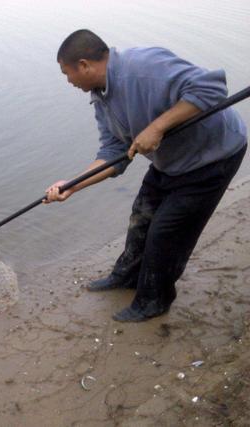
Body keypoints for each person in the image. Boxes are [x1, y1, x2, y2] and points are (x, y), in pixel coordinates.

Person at [45, 29, 247, 322]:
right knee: (141, 219)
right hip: (170, 161)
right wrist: (72, 186)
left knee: (166, 233)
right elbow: (115, 153)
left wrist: (157, 127)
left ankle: (155, 300)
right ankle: (127, 276)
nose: (68, 81)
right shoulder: (101, 97)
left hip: (213, 157)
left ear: (85, 65)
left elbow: (212, 88)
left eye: (67, 73)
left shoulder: (145, 68)